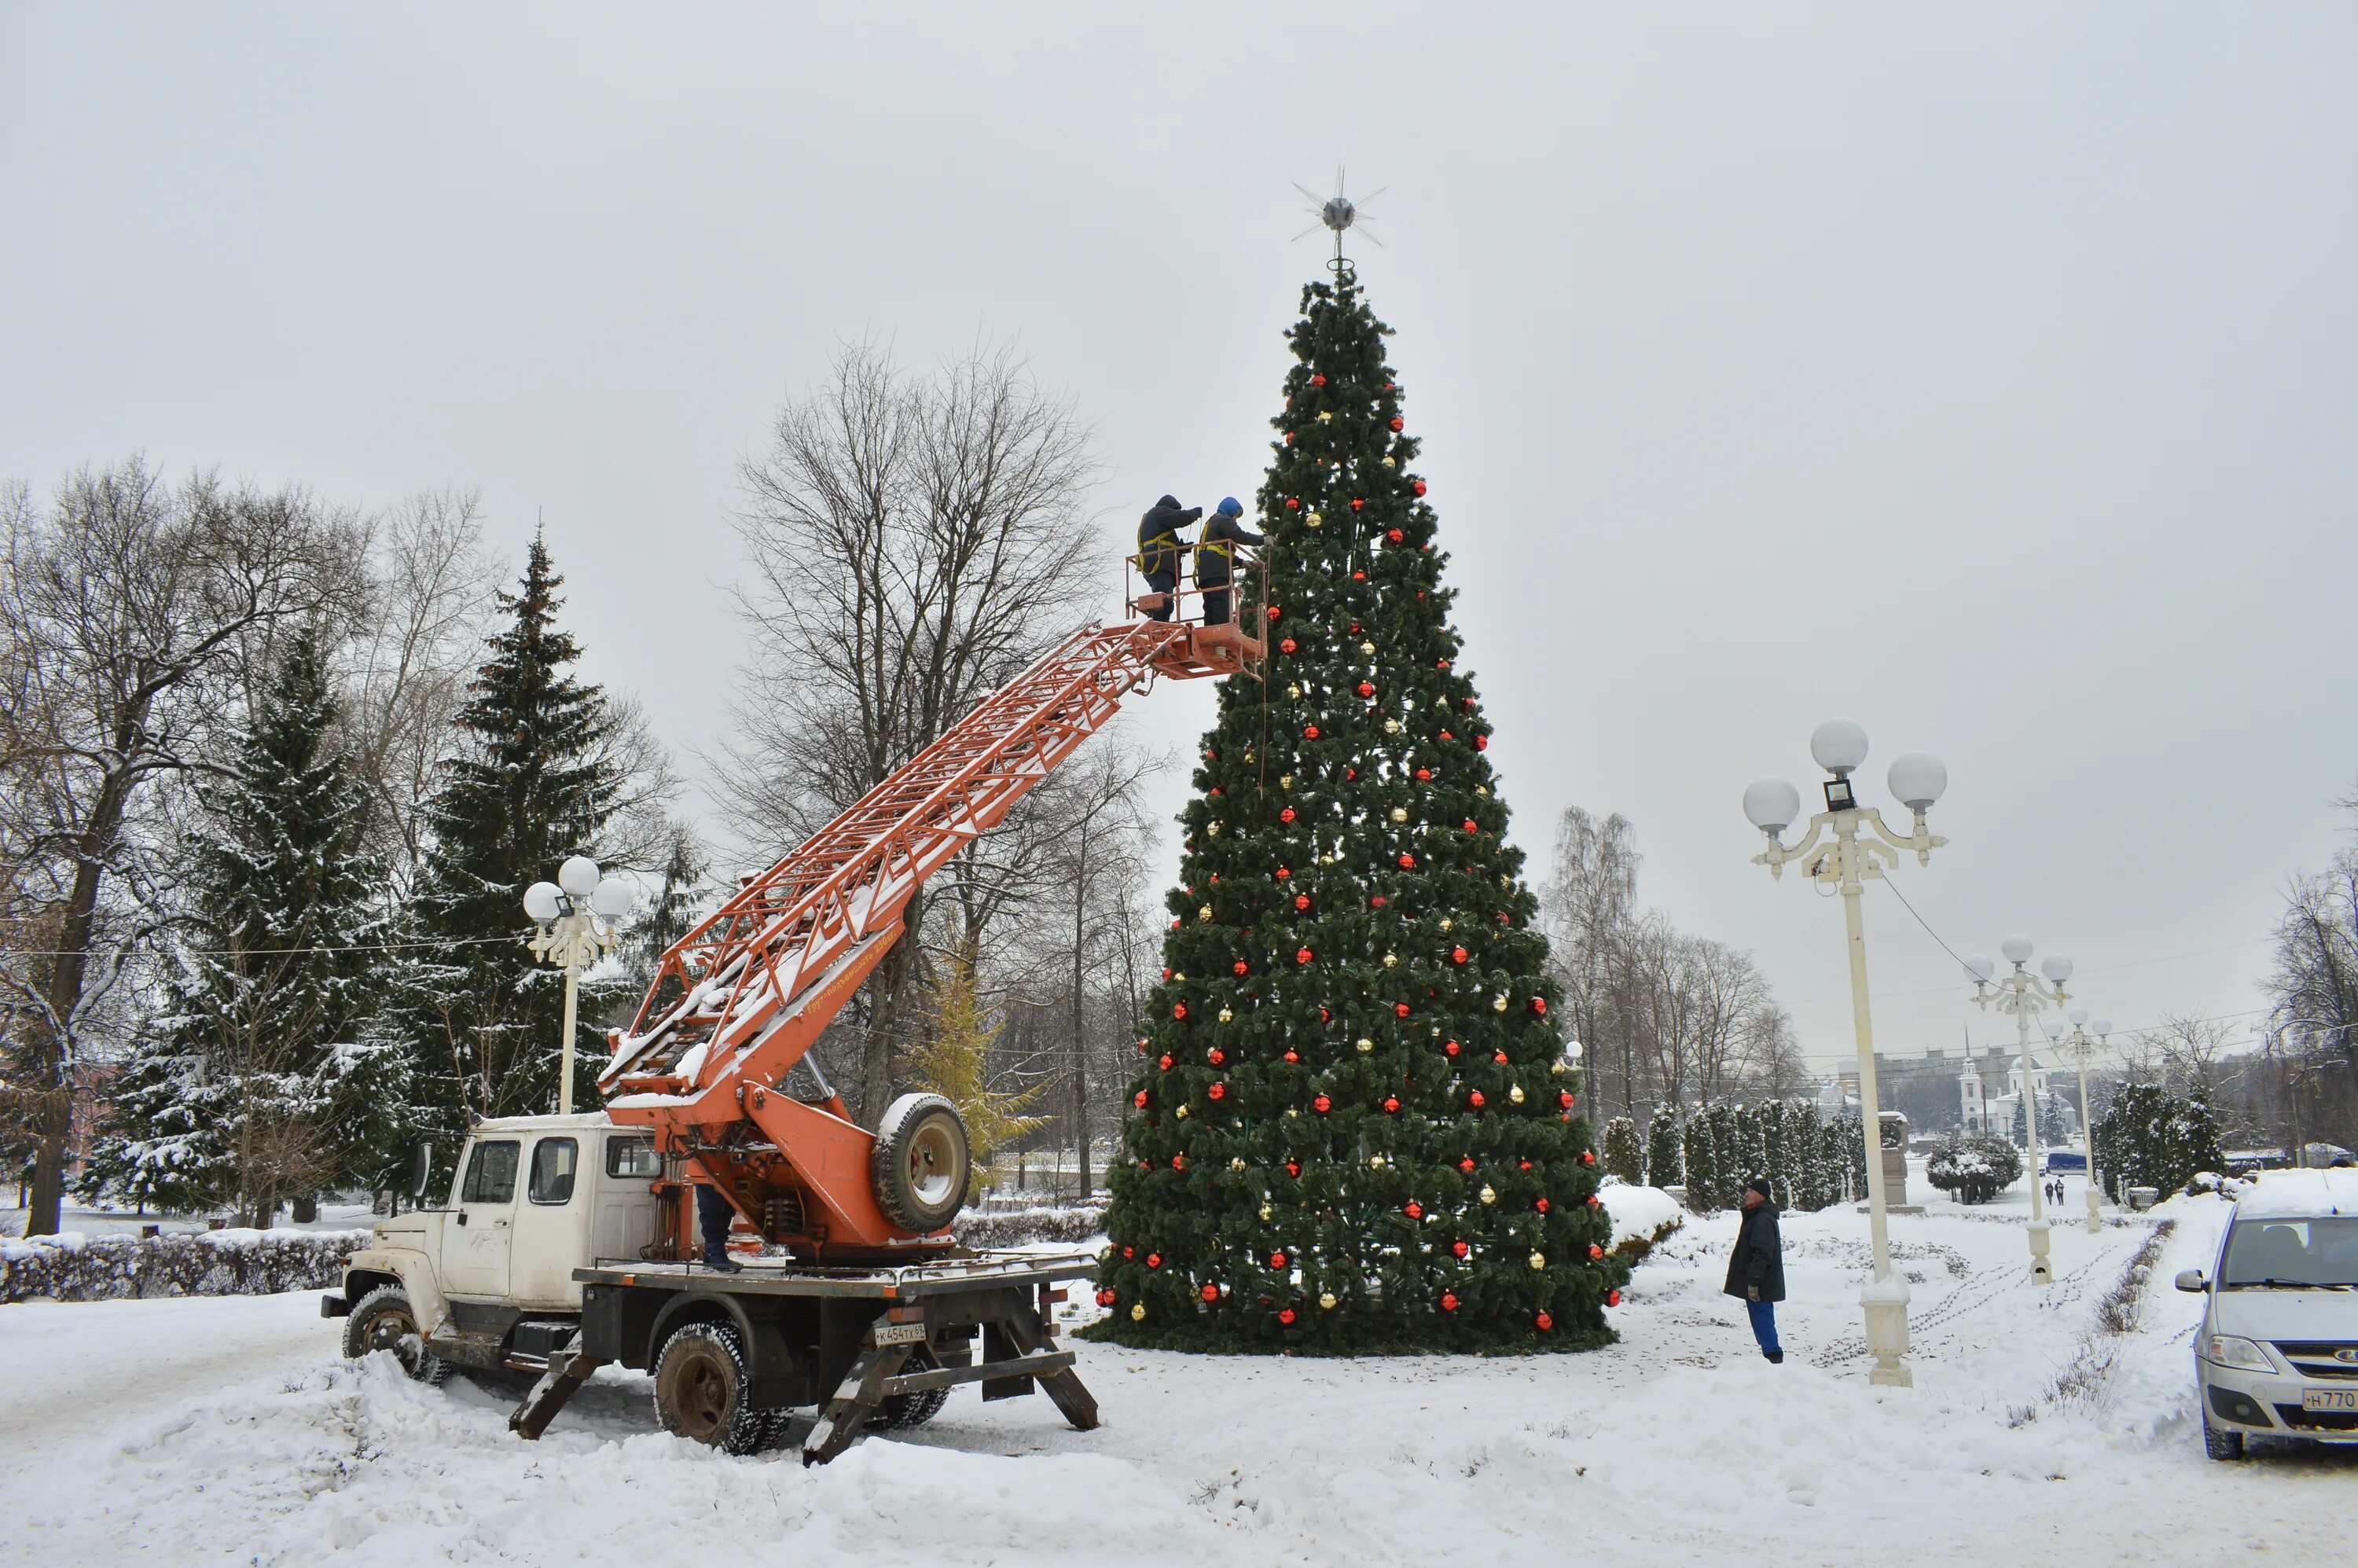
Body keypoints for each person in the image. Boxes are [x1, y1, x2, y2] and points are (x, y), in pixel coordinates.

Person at [1724, 1176, 1787, 1364]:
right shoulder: (1757, 1216)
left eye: (1751, 1191)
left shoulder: (1762, 1220)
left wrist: (1754, 1280)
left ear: (1762, 1196)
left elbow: (1762, 1253)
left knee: (1763, 1317)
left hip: (1761, 1280)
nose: (1747, 1194)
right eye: (1747, 1190)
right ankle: (1770, 1355)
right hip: (1758, 1279)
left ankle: (1773, 1356)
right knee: (1760, 1317)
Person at [1194, 496, 1263, 627]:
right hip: (1218, 571)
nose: (1235, 519)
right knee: (1221, 606)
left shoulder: (1211, 523)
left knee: (1210, 607)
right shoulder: (1223, 520)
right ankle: (1221, 635)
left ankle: (1210, 633)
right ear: (1230, 510)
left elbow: (1218, 550)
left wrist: (1241, 562)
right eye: (1235, 515)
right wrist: (1262, 540)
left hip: (1205, 572)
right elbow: (1241, 536)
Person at [1136, 494, 1201, 622]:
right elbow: (1180, 518)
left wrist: (1180, 548)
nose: (1173, 513)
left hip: (1157, 563)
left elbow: (1164, 542)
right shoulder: (1158, 512)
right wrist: (1195, 513)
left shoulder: (1157, 519)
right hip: (1159, 564)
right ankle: (1158, 627)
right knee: (1163, 601)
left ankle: (1159, 625)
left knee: (1164, 600)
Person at [696, 1182, 743, 1272]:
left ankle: (712, 1255)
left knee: (727, 1208)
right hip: (707, 1178)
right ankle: (716, 1256)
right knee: (711, 1209)